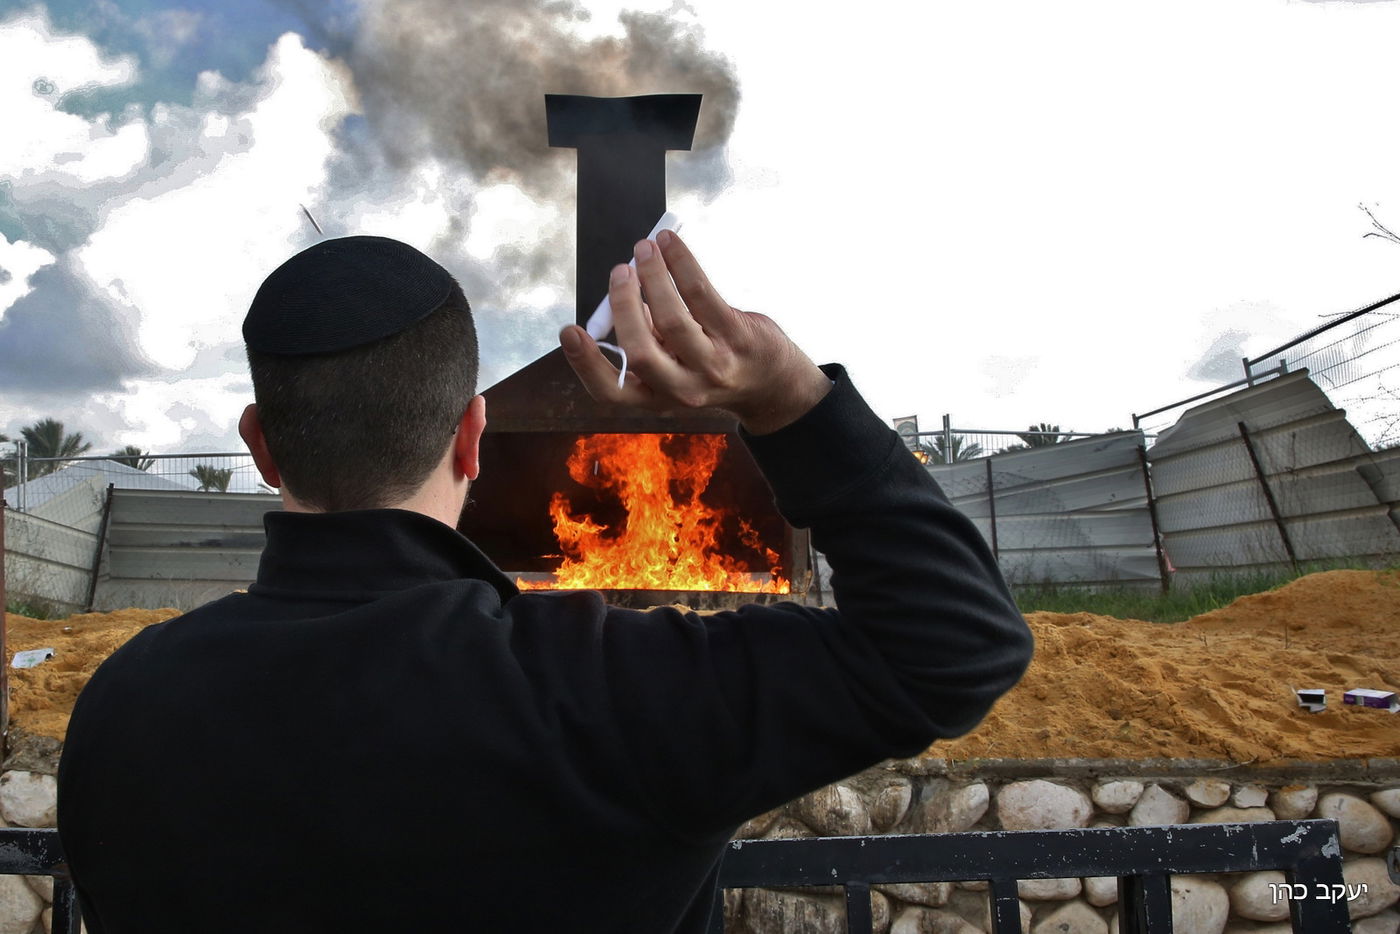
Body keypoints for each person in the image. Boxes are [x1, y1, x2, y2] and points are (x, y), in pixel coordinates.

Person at [56, 230, 1034, 932]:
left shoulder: (120, 707)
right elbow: (954, 648)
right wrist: (790, 399)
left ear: (260, 446)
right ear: (472, 436)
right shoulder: (612, 690)